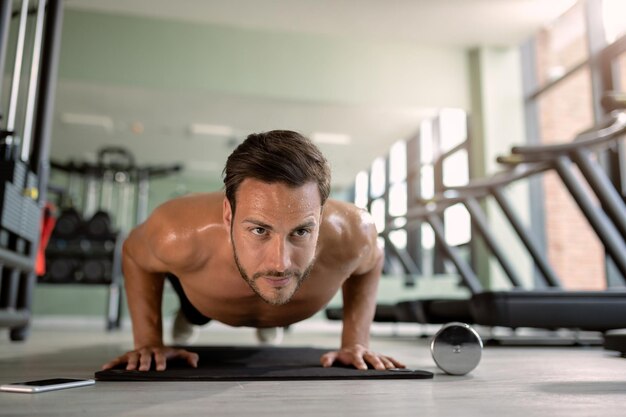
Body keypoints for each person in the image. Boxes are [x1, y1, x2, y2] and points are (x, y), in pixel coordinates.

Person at [102, 130, 405, 372]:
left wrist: (355, 342)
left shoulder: (355, 233)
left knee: (284, 278)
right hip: (202, 295)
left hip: (293, 297)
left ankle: (275, 320)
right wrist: (148, 340)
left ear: (321, 216)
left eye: (301, 231)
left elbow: (373, 259)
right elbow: (134, 252)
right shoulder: (176, 232)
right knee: (196, 312)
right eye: (259, 230)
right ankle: (189, 315)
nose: (280, 261)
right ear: (228, 216)